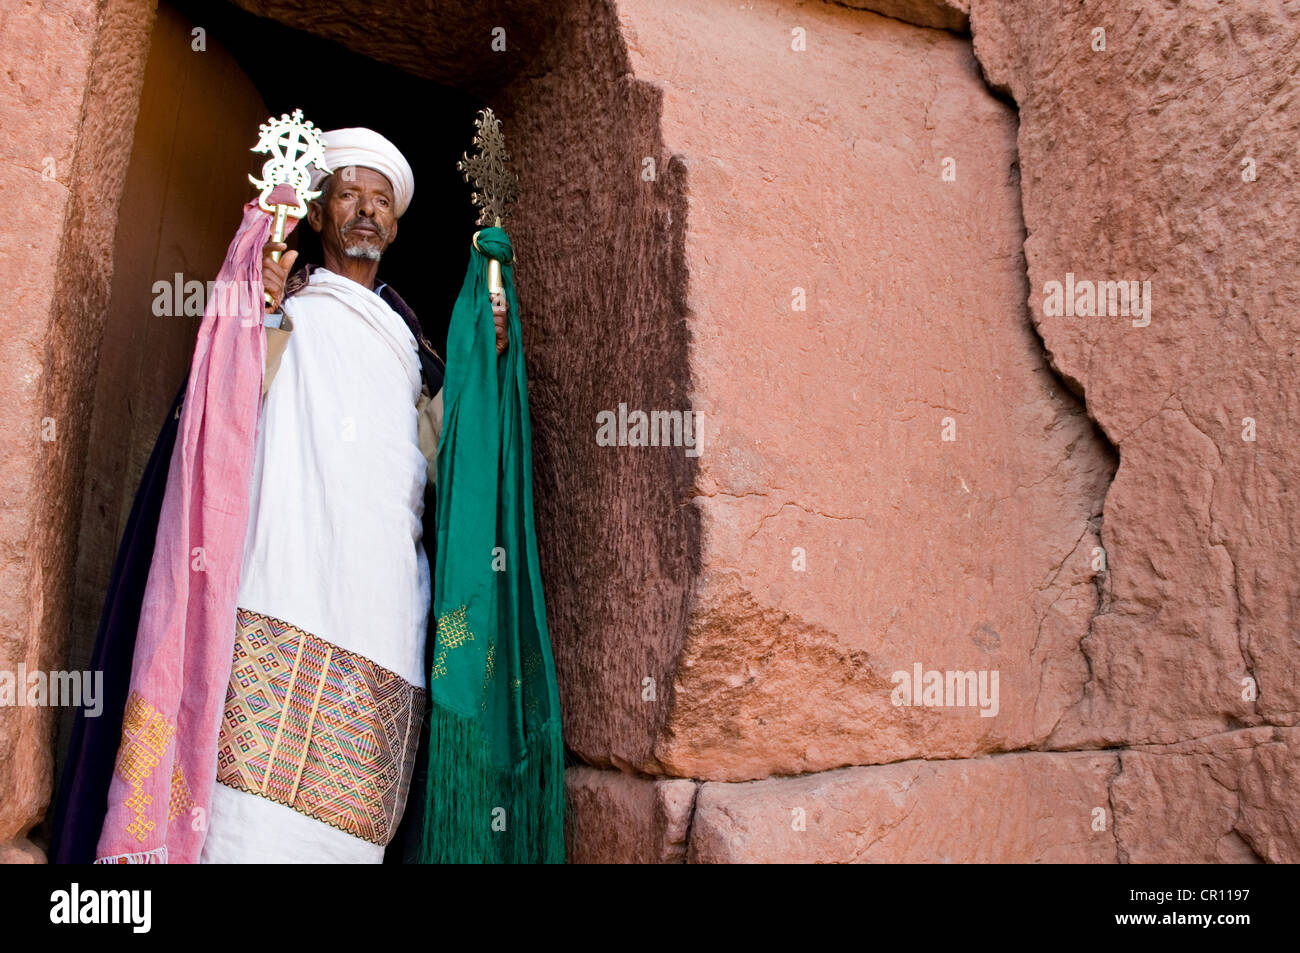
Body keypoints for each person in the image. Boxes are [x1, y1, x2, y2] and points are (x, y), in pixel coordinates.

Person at [51, 127, 508, 864]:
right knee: (240, 810)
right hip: (277, 576)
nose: (366, 211)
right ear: (318, 214)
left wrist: (485, 358)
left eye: (381, 201)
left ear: (395, 226)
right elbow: (230, 406)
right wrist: (252, 306)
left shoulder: (411, 347)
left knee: (348, 821)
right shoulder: (286, 306)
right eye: (349, 195)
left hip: (380, 602)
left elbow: (447, 457)